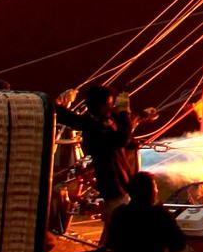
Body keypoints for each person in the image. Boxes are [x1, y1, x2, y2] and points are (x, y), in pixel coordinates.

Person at [54, 84, 141, 220]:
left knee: (116, 223)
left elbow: (125, 131)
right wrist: (124, 112)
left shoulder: (106, 119)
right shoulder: (93, 125)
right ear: (100, 107)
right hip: (113, 185)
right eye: (109, 104)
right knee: (119, 222)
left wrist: (139, 115)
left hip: (121, 183)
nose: (111, 107)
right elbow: (122, 138)